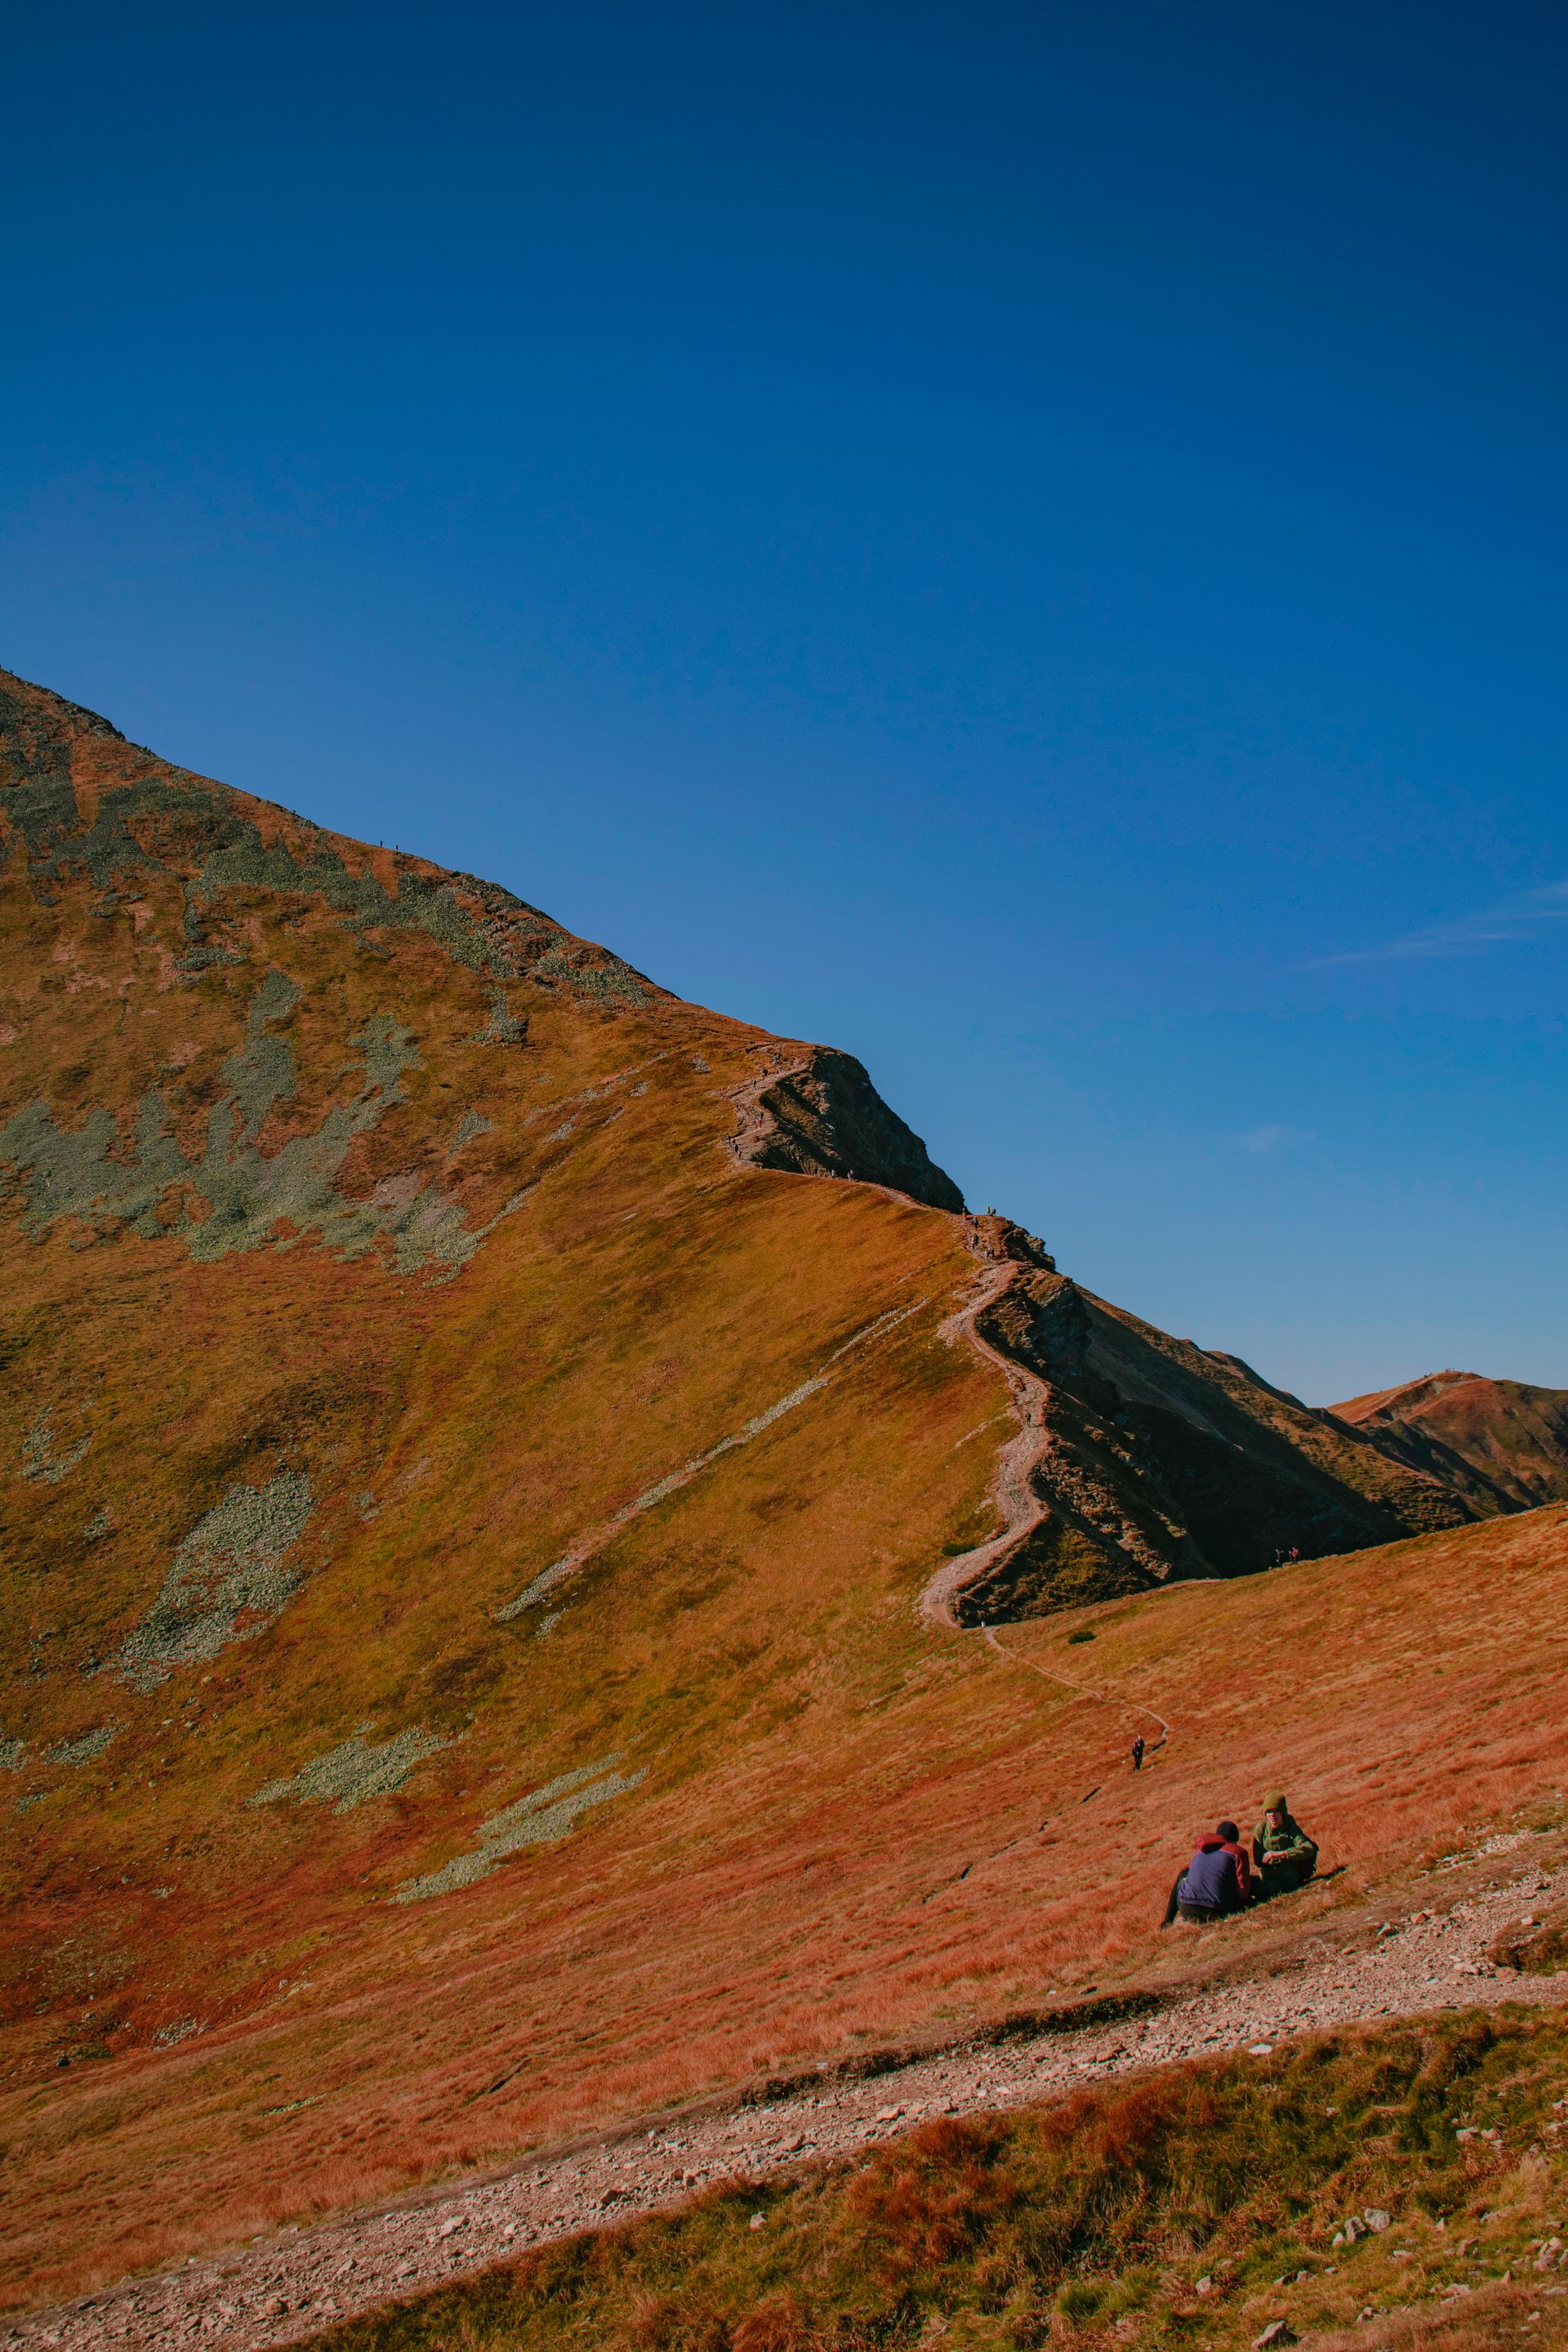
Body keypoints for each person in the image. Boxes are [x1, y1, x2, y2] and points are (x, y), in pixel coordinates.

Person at [1162, 1820, 1251, 1926]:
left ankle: (1167, 1922)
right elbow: (1243, 1891)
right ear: (1236, 1839)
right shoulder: (1238, 1852)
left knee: (1181, 1879)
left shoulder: (1202, 1849)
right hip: (1218, 1911)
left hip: (1187, 1910)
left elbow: (1185, 1872)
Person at [1251, 1793, 1318, 1898]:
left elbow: (1309, 1849)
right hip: (1268, 1879)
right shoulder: (1261, 1828)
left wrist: (1282, 1854)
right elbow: (1258, 1860)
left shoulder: (1291, 1827)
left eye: (1276, 1811)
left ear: (1283, 1812)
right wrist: (1266, 1859)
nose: (1272, 1815)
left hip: (1289, 1881)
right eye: (1268, 1812)